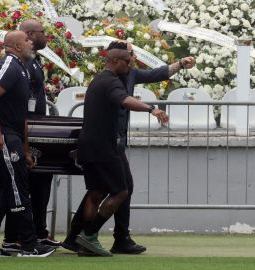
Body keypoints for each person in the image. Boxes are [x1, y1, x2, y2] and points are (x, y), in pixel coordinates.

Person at [63, 41, 195, 254]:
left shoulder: (107, 78)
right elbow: (125, 100)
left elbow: (155, 74)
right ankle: (87, 236)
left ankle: (85, 238)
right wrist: (152, 109)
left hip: (95, 144)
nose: (131, 62)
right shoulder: (111, 82)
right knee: (121, 191)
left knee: (97, 192)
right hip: (106, 145)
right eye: (128, 58)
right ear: (114, 60)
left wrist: (179, 64)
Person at [0, 30, 56, 257]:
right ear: (17, 46)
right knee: (18, 188)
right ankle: (29, 246)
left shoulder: (21, 68)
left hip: (11, 136)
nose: (32, 42)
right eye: (27, 40)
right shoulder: (9, 65)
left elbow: (21, 115)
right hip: (2, 136)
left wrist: (26, 148)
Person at [3, 19, 61, 252]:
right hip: (22, 129)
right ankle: (15, 236)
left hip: (35, 128)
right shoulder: (19, 63)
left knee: (41, 182)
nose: (46, 36)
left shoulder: (34, 61)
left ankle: (39, 231)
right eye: (41, 32)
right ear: (27, 35)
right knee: (22, 184)